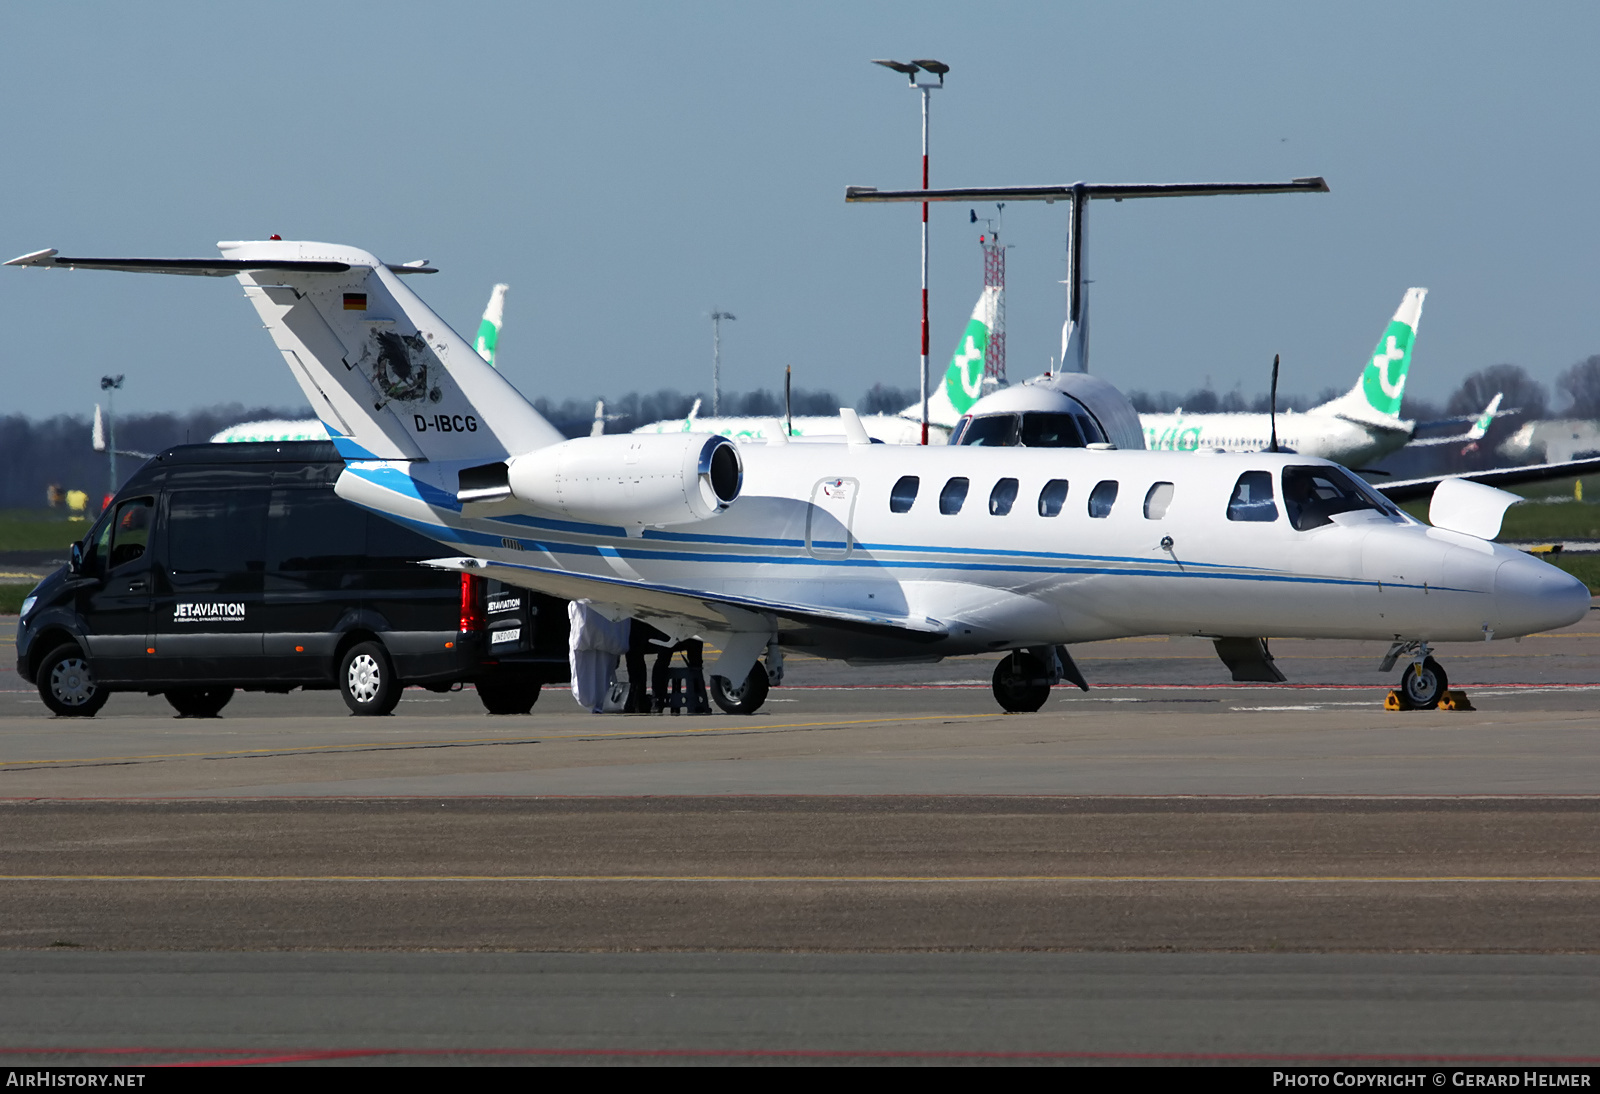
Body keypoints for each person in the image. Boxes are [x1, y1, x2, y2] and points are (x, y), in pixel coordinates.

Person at [567, 600, 630, 713]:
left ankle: (601, 703)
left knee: (597, 666)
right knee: (596, 666)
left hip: (598, 618)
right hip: (597, 621)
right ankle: (600, 703)